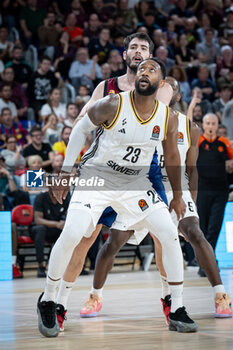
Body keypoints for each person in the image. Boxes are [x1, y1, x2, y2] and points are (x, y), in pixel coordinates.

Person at [37, 56, 198, 338]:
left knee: (169, 234)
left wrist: (176, 195)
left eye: (152, 69)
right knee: (74, 233)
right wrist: (65, 172)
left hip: (134, 182)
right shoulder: (114, 103)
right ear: (135, 77)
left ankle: (178, 308)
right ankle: (49, 299)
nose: (144, 71)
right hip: (96, 178)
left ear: (160, 83)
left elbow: (172, 155)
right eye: (142, 68)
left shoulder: (167, 117)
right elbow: (79, 129)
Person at [53, 32, 175, 331]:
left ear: (151, 57)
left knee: (163, 236)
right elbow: (83, 122)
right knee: (84, 237)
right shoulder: (105, 89)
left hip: (144, 172)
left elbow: (161, 103)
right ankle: (60, 304)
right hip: (104, 170)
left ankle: (171, 300)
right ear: (124, 54)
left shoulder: (161, 88)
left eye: (144, 48)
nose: (138, 52)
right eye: (133, 47)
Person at [151, 77, 232, 323]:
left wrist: (189, 200)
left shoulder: (190, 127)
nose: (165, 89)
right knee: (120, 241)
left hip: (180, 189)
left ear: (176, 94)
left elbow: (192, 169)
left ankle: (221, 294)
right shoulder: (144, 120)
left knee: (196, 233)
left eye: (171, 86)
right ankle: (93, 293)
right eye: (162, 86)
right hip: (150, 189)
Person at [197, 114, 233, 256]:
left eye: (213, 123)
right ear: (203, 125)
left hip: (220, 190)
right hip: (202, 189)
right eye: (208, 123)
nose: (211, 126)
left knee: (215, 226)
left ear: (218, 125)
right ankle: (204, 260)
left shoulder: (224, 142)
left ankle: (209, 258)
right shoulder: (198, 141)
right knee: (202, 226)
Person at [30, 187, 70, 277]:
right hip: (41, 229)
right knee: (40, 229)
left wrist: (66, 222)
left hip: (57, 229)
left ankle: (59, 266)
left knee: (69, 231)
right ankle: (40, 266)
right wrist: (56, 224)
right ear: (49, 189)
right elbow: (37, 220)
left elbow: (70, 215)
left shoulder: (66, 198)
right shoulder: (40, 197)